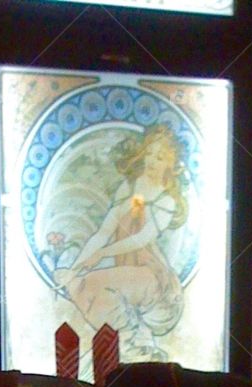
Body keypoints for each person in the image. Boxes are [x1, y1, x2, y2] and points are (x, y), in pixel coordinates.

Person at [52, 124, 189, 354]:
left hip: (154, 280)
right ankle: (130, 339)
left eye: (160, 157)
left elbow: (140, 240)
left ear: (171, 164)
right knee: (83, 282)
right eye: (149, 153)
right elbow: (104, 233)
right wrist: (75, 268)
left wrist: (102, 253)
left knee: (95, 282)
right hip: (128, 272)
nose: (152, 161)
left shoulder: (167, 201)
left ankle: (132, 338)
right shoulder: (131, 187)